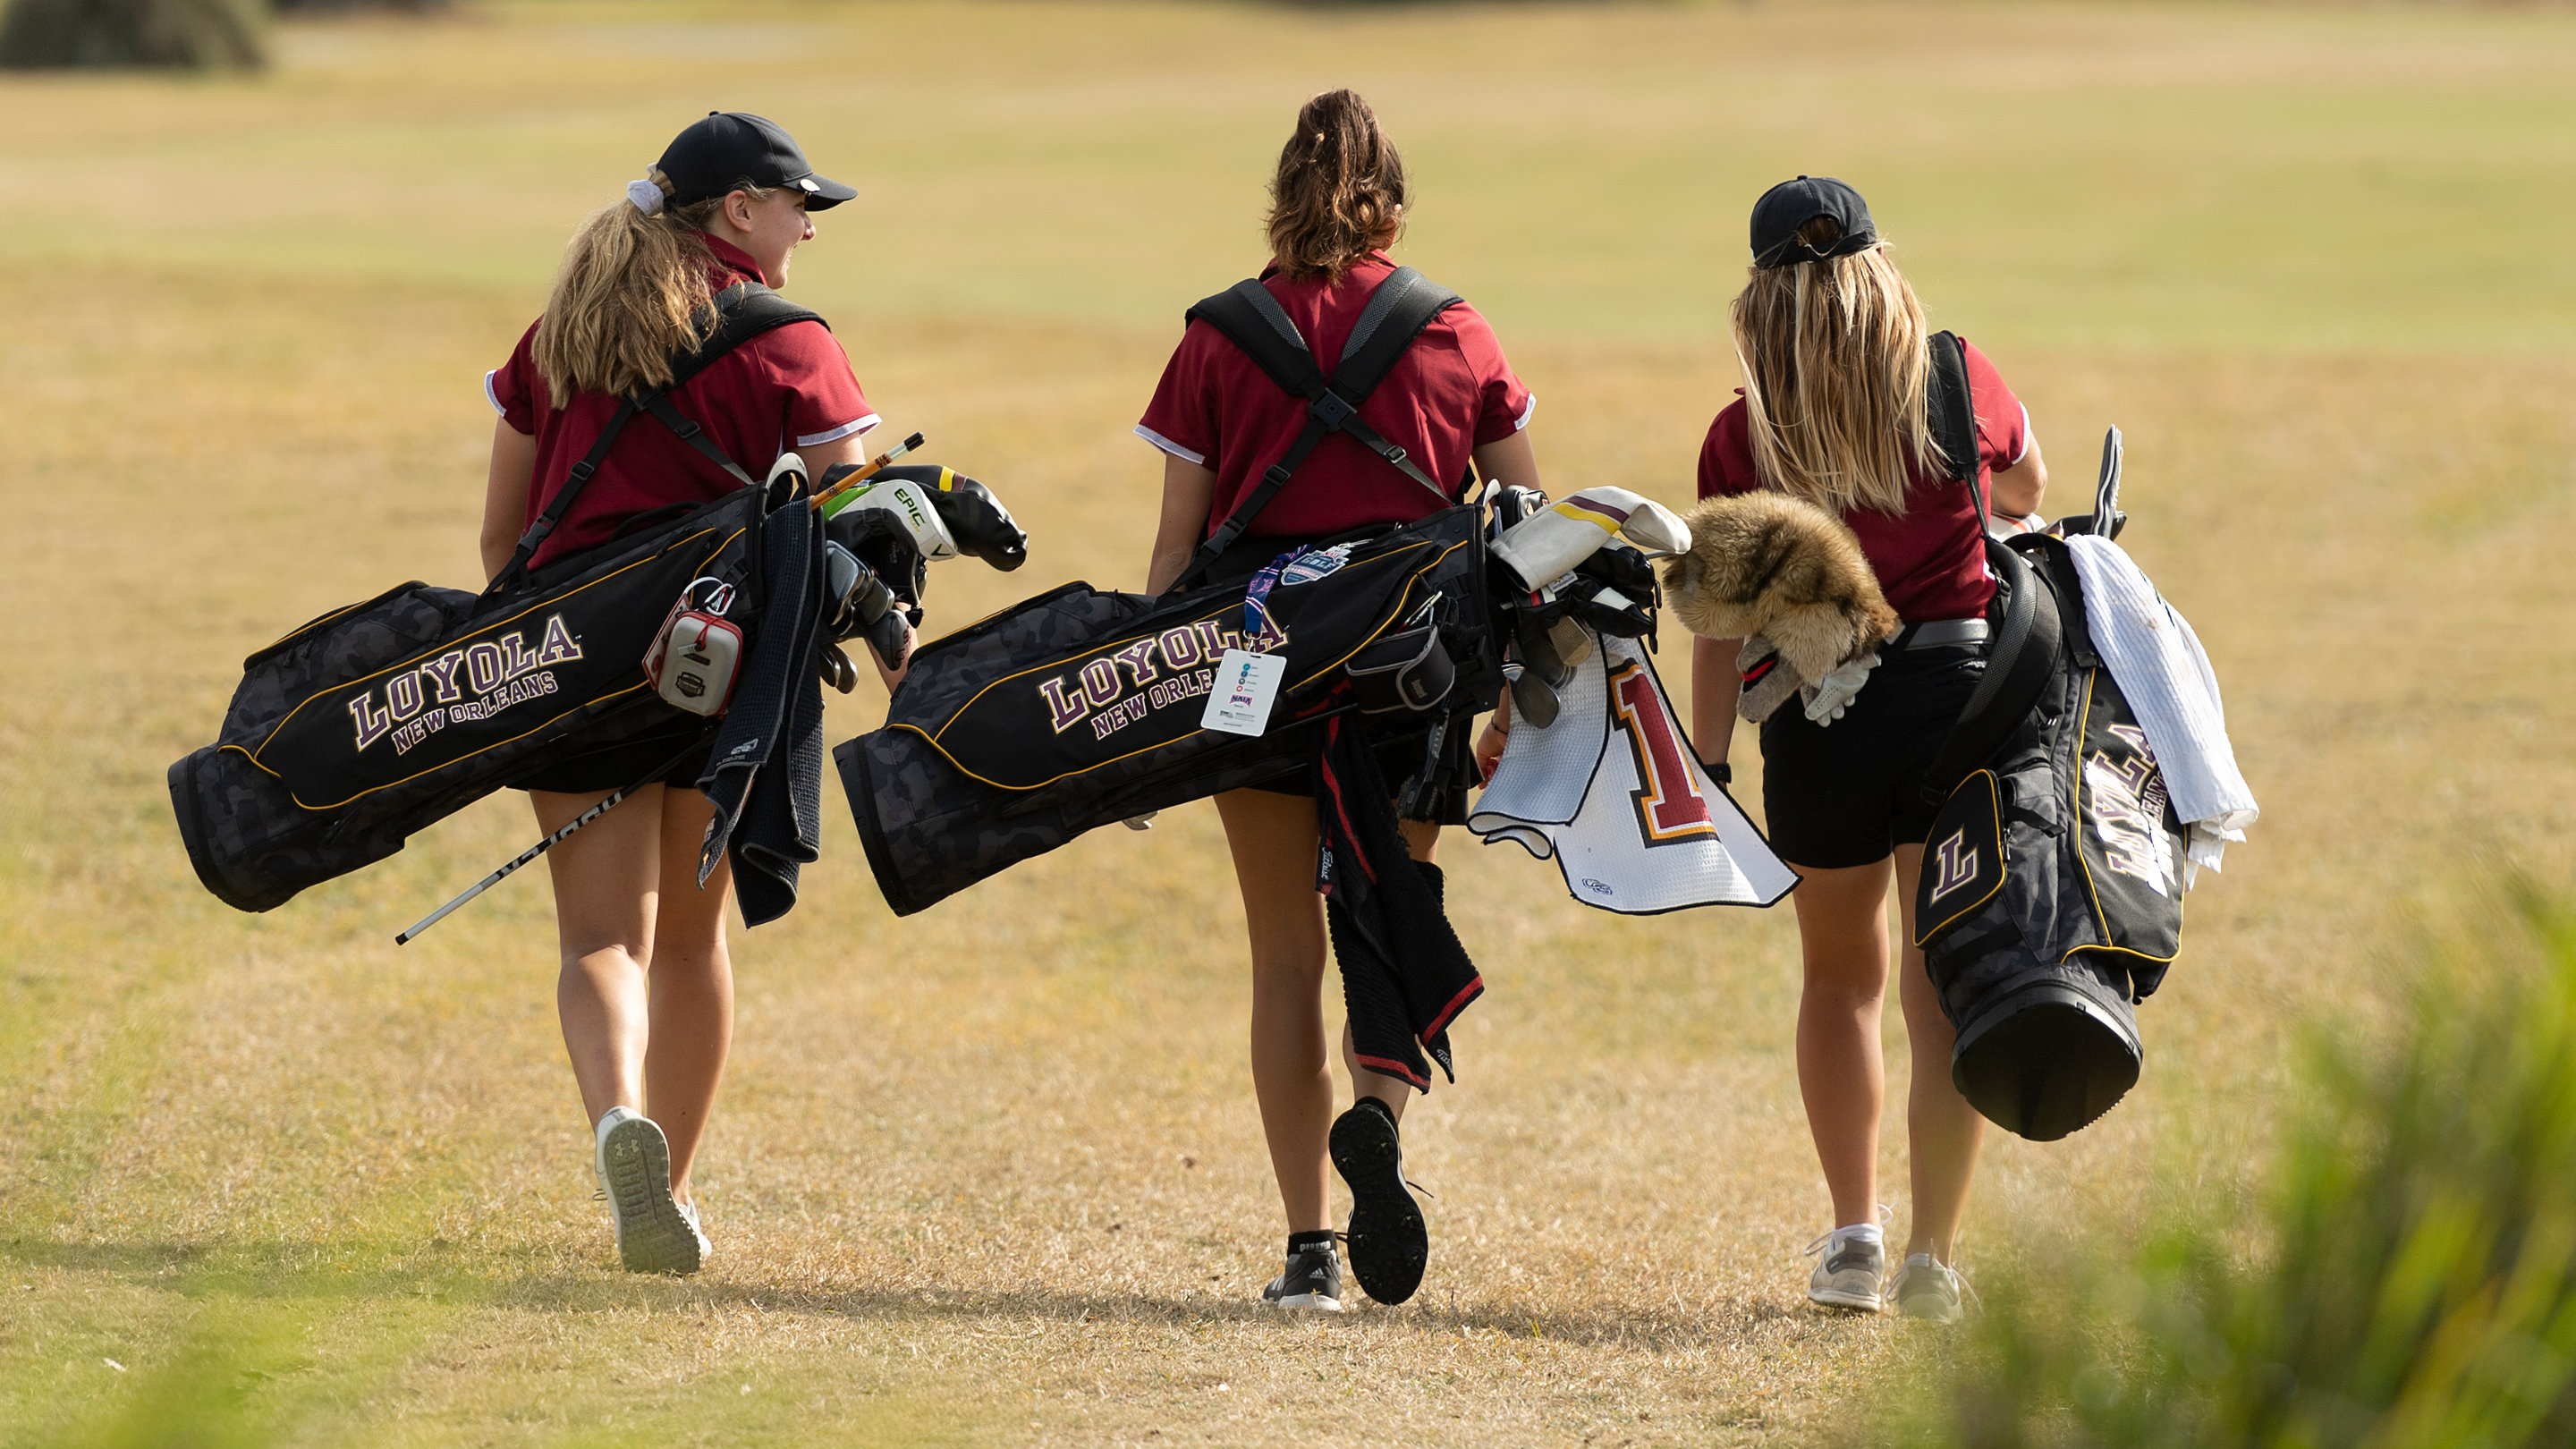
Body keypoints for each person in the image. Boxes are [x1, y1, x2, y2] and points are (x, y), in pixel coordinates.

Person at [477, 111, 908, 1275]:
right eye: (795, 206)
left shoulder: (558, 333)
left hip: (567, 667)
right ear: (736, 214)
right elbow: (858, 536)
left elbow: (502, 540)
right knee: (691, 943)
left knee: (599, 944)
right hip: (719, 683)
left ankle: (617, 1118)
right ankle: (659, 1187)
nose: (806, 230)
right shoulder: (790, 343)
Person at [1134, 89, 1541, 1312]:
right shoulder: (1456, 330)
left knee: (1281, 962)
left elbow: (1175, 549)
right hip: (1412, 676)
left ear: (1281, 203)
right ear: (1395, 211)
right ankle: (1375, 1117)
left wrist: (1152, 711)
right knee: (1387, 914)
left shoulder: (1216, 335)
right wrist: (1518, 691)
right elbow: (1528, 531)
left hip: (1255, 675)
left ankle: (1309, 1250)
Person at [1688, 176, 2048, 1322]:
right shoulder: (1957, 377)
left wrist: (1708, 763)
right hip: (1963, 702)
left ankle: (1854, 1240)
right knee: (1943, 988)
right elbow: (2031, 488)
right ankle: (1934, 1260)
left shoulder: (1743, 433)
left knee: (1840, 978)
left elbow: (1720, 620)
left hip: (1817, 718)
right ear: (1877, 271)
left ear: (1763, 303)